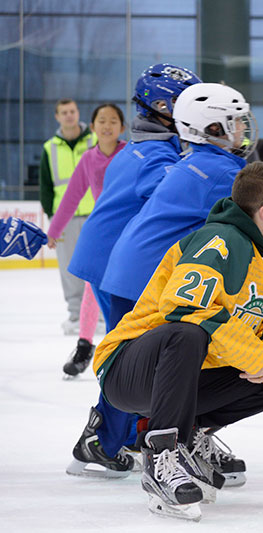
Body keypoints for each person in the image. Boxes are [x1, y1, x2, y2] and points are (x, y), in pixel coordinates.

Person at [91, 161, 263, 521]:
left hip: (186, 376)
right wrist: (254, 355)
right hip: (129, 370)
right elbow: (184, 306)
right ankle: (162, 455)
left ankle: (192, 437)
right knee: (187, 333)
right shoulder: (219, 241)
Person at [65, 63, 201, 480]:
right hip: (118, 263)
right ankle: (101, 439)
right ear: (163, 107)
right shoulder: (158, 156)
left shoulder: (140, 148)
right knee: (131, 354)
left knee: (133, 350)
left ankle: (120, 435)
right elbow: (176, 199)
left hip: (112, 257)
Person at [46, 103, 126, 378]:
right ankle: (84, 345)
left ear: (122, 128)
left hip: (129, 233)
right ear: (92, 128)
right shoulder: (89, 159)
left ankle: (125, 345)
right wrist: (54, 230)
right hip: (102, 233)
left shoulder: (129, 154)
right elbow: (70, 197)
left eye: (113, 121)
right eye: (101, 120)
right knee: (92, 285)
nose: (107, 125)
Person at [39, 98, 96, 335]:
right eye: (64, 112)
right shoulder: (49, 147)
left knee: (96, 267)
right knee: (69, 269)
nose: (69, 115)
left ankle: (99, 315)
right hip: (66, 220)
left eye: (72, 111)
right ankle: (75, 316)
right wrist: (53, 217)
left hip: (95, 215)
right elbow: (45, 186)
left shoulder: (94, 140)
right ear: (57, 116)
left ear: (77, 113)